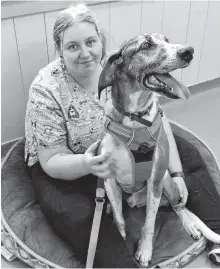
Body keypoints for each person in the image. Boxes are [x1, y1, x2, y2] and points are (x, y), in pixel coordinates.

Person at [25, 3, 220, 267]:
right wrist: (88, 164)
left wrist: (176, 175)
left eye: (91, 42)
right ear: (59, 49)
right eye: (72, 46)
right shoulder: (46, 88)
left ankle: (217, 234)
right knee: (74, 212)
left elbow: (160, 125)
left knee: (190, 156)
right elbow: (50, 159)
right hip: (68, 161)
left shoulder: (123, 68)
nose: (85, 53)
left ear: (101, 42)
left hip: (126, 143)